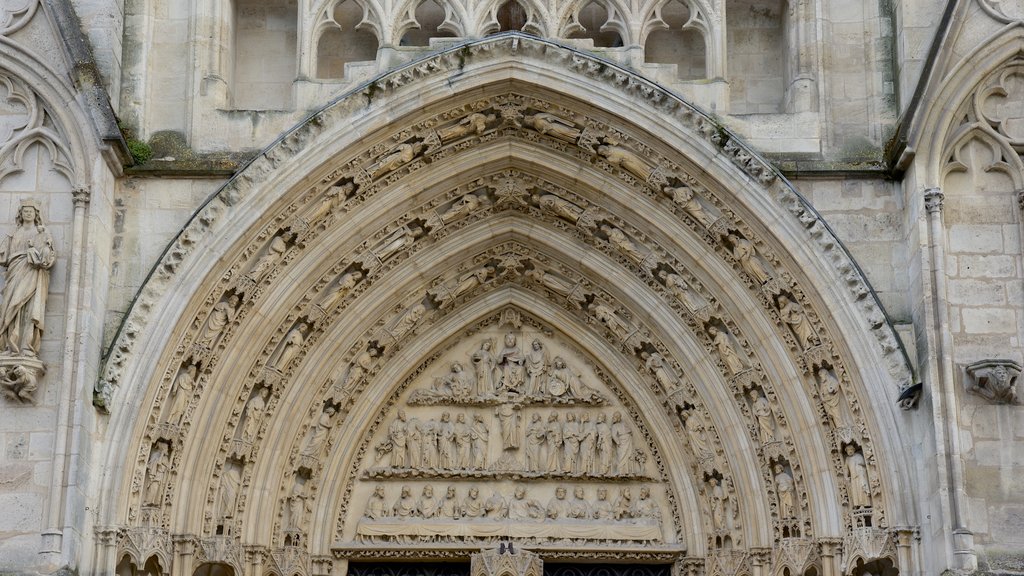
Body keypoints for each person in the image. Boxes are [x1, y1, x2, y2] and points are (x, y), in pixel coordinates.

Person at [0, 201, 55, 357]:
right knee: (10, 307)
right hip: (14, 273)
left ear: (36, 214)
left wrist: (38, 252)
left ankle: (26, 346)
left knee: (30, 309)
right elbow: (3, 256)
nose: (28, 214)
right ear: (21, 214)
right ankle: (9, 347)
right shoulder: (13, 233)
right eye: (25, 211)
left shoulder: (42, 233)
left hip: (32, 274)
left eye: (31, 211)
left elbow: (49, 257)